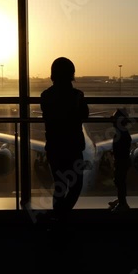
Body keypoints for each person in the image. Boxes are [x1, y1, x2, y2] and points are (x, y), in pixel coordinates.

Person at [40, 57, 89, 222]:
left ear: (53, 75)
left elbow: (48, 117)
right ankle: (61, 217)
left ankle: (58, 219)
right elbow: (85, 116)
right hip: (74, 148)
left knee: (59, 187)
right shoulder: (77, 95)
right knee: (76, 186)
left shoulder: (45, 96)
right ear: (71, 75)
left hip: (54, 147)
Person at [108, 108, 132, 211]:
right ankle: (121, 200)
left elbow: (121, 149)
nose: (113, 123)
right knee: (120, 181)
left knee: (119, 181)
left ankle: (123, 203)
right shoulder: (123, 133)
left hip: (121, 161)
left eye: (114, 120)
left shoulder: (120, 134)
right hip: (123, 161)